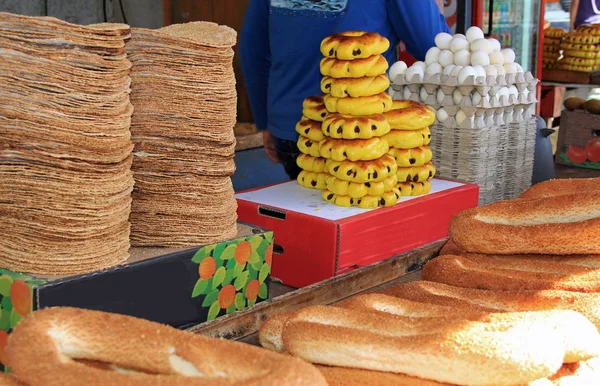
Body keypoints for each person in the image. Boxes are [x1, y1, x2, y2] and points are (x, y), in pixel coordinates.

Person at [239, 0, 450, 179]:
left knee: (307, 218)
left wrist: (266, 120)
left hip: (292, 129)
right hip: (363, 134)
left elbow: (253, 49)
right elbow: (433, 45)